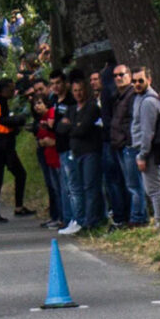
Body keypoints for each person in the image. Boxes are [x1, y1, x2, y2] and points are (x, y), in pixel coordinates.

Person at [0, 78, 33, 223]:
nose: (13, 91)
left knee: (18, 174)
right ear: (3, 90)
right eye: (11, 89)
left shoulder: (2, 102)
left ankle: (17, 206)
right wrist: (10, 128)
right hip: (0, 147)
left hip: (6, 146)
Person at [64, 76, 105, 233]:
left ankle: (92, 220)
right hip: (75, 153)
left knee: (91, 186)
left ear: (85, 90)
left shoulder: (92, 107)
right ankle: (83, 219)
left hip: (90, 152)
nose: (78, 93)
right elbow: (61, 128)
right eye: (75, 91)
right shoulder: (71, 109)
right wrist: (75, 126)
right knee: (78, 187)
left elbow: (83, 129)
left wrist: (72, 127)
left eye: (80, 90)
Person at [110, 64, 148, 227]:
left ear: (129, 75)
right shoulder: (119, 96)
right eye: (115, 75)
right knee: (129, 183)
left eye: (122, 74)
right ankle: (134, 215)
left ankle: (139, 217)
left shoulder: (133, 95)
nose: (118, 78)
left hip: (130, 146)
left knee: (135, 184)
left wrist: (129, 140)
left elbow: (136, 121)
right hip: (120, 145)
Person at [130, 66, 160, 229]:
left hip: (151, 151)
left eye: (140, 80)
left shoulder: (149, 102)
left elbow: (148, 132)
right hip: (144, 149)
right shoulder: (139, 98)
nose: (137, 84)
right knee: (150, 188)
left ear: (149, 80)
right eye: (134, 81)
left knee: (154, 188)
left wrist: (143, 155)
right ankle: (158, 219)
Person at [97, 64, 130, 230]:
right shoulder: (118, 93)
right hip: (118, 139)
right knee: (123, 180)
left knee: (113, 181)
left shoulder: (107, 93)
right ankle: (126, 214)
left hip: (110, 140)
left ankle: (120, 215)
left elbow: (107, 118)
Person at [29, 78, 62, 228]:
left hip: (54, 152)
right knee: (51, 185)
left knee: (58, 186)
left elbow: (52, 130)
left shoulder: (52, 112)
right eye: (35, 92)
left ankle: (61, 216)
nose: (37, 106)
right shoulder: (38, 117)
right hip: (45, 153)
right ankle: (54, 215)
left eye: (41, 90)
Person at [48, 70, 78, 233]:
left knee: (71, 186)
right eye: (52, 84)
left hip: (69, 146)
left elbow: (68, 124)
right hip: (58, 147)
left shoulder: (70, 101)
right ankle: (65, 218)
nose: (55, 87)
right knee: (63, 186)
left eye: (58, 83)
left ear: (65, 83)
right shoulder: (53, 100)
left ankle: (74, 218)